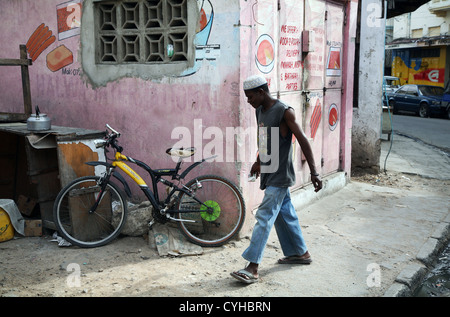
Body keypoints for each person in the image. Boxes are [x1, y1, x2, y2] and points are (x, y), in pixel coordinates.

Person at [231, 75, 323, 284]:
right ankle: (300, 253)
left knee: (264, 217)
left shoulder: (284, 111)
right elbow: (264, 139)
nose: (248, 101)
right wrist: (258, 161)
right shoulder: (260, 111)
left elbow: (303, 141)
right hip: (270, 171)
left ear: (261, 92)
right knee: (285, 213)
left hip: (280, 175)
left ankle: (252, 266)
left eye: (250, 96)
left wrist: (314, 172)